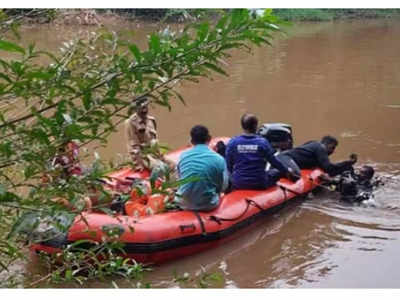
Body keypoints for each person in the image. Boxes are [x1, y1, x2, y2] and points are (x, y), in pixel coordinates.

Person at [225, 113, 299, 191]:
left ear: (242, 126)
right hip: (259, 183)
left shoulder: (233, 142)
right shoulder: (262, 142)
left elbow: (229, 165)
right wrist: (287, 172)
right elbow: (274, 162)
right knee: (276, 172)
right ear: (256, 126)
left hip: (239, 183)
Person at [174, 125, 228, 211]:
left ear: (191, 141)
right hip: (207, 204)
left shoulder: (182, 157)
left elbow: (179, 180)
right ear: (209, 138)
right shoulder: (219, 159)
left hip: (183, 203)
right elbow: (223, 186)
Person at [278, 135, 357, 177]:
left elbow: (329, 170)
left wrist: (347, 165)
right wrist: (348, 162)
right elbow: (328, 168)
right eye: (332, 148)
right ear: (326, 144)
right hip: (286, 158)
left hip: (285, 158)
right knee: (296, 175)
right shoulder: (320, 147)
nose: (332, 151)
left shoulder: (314, 146)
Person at [125, 96, 159, 171]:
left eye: (146, 107)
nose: (145, 110)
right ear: (135, 108)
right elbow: (133, 146)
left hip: (155, 154)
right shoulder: (131, 123)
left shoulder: (151, 120)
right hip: (143, 156)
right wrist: (138, 165)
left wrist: (160, 155)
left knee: (173, 165)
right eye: (142, 108)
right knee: (159, 168)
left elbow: (155, 139)